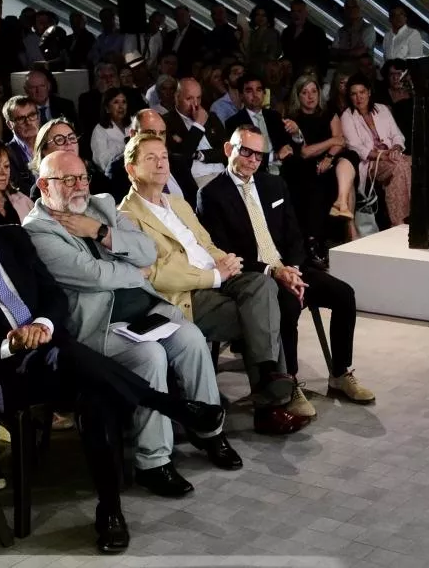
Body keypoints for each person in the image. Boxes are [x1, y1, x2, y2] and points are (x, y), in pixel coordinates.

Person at [0, 172, 225, 553]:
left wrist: (41, 323)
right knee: (72, 358)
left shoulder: (13, 239)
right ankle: (170, 405)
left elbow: (54, 297)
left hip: (51, 356)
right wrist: (11, 345)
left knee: (92, 390)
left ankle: (110, 511)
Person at [23, 151, 238, 496]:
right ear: (43, 186)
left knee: (191, 337)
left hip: (144, 311)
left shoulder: (102, 206)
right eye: (67, 180)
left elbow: (148, 252)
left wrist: (101, 231)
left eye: (82, 177)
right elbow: (92, 275)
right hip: (98, 326)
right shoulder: (36, 230)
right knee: (150, 355)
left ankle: (211, 432)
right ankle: (154, 462)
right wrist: (132, 272)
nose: (79, 187)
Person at [119, 134, 309, 436]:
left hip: (219, 276)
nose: (160, 164)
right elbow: (158, 274)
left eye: (164, 157)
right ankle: (269, 401)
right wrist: (215, 276)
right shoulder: (127, 217)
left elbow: (206, 243)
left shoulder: (177, 203)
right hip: (185, 296)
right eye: (151, 158)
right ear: (131, 169)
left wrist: (227, 261)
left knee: (263, 285)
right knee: (261, 311)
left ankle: (270, 374)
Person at [198, 126, 374, 419]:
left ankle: (340, 373)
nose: (253, 160)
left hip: (289, 267)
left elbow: (294, 234)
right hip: (254, 277)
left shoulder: (273, 186)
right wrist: (273, 272)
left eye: (259, 154)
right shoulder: (211, 195)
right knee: (288, 304)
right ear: (229, 150)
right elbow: (223, 252)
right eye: (246, 151)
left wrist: (291, 268)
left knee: (344, 294)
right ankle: (289, 382)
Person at [287, 74, 360, 245]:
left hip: (330, 159)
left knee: (350, 157)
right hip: (308, 165)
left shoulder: (329, 113)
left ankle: (341, 204)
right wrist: (331, 141)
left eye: (313, 91)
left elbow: (341, 142)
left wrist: (329, 156)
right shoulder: (294, 120)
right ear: (298, 96)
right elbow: (305, 152)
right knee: (337, 179)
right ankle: (350, 228)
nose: (310, 96)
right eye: (304, 92)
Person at [340, 74, 412, 226]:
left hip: (393, 156)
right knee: (400, 166)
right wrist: (383, 155)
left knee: (412, 164)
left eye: (362, 92)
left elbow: (397, 134)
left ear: (369, 92)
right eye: (354, 94)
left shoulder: (382, 109)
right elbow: (355, 147)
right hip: (371, 162)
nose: (359, 97)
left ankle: (407, 218)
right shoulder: (347, 116)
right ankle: (400, 221)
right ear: (349, 96)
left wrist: (396, 148)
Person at [107, 110, 196, 206]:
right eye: (150, 133)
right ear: (133, 134)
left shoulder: (177, 162)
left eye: (162, 133)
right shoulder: (118, 169)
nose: (158, 138)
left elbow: (195, 201)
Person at [224, 73, 302, 178]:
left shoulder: (274, 116)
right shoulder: (233, 122)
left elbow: (292, 147)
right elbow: (239, 156)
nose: (255, 94)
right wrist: (275, 156)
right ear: (241, 95)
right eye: (249, 91)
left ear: (264, 93)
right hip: (256, 173)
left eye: (259, 90)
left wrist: (296, 133)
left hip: (284, 170)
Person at [163, 78, 228, 189]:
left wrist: (199, 155)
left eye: (198, 98)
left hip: (224, 173)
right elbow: (182, 156)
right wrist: (198, 125)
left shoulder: (211, 117)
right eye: (189, 98)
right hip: (196, 179)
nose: (195, 104)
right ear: (176, 97)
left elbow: (226, 150)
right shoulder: (167, 122)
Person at [29, 118, 112, 199]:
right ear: (44, 150)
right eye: (59, 139)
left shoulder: (97, 179)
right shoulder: (40, 191)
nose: (68, 143)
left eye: (72, 138)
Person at [2, 96, 39, 195]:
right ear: (10, 125)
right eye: (21, 119)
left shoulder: (52, 144)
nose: (28, 122)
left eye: (32, 115)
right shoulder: (5, 153)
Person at [90, 88, 130, 173]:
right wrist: (124, 148)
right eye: (116, 102)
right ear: (107, 108)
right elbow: (101, 162)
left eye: (124, 102)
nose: (121, 106)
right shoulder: (100, 129)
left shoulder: (134, 123)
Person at [245, 4, 281, 77]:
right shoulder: (253, 34)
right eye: (258, 15)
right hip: (252, 68)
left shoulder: (273, 33)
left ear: (268, 17)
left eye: (263, 15)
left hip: (266, 70)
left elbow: (274, 54)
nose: (260, 18)